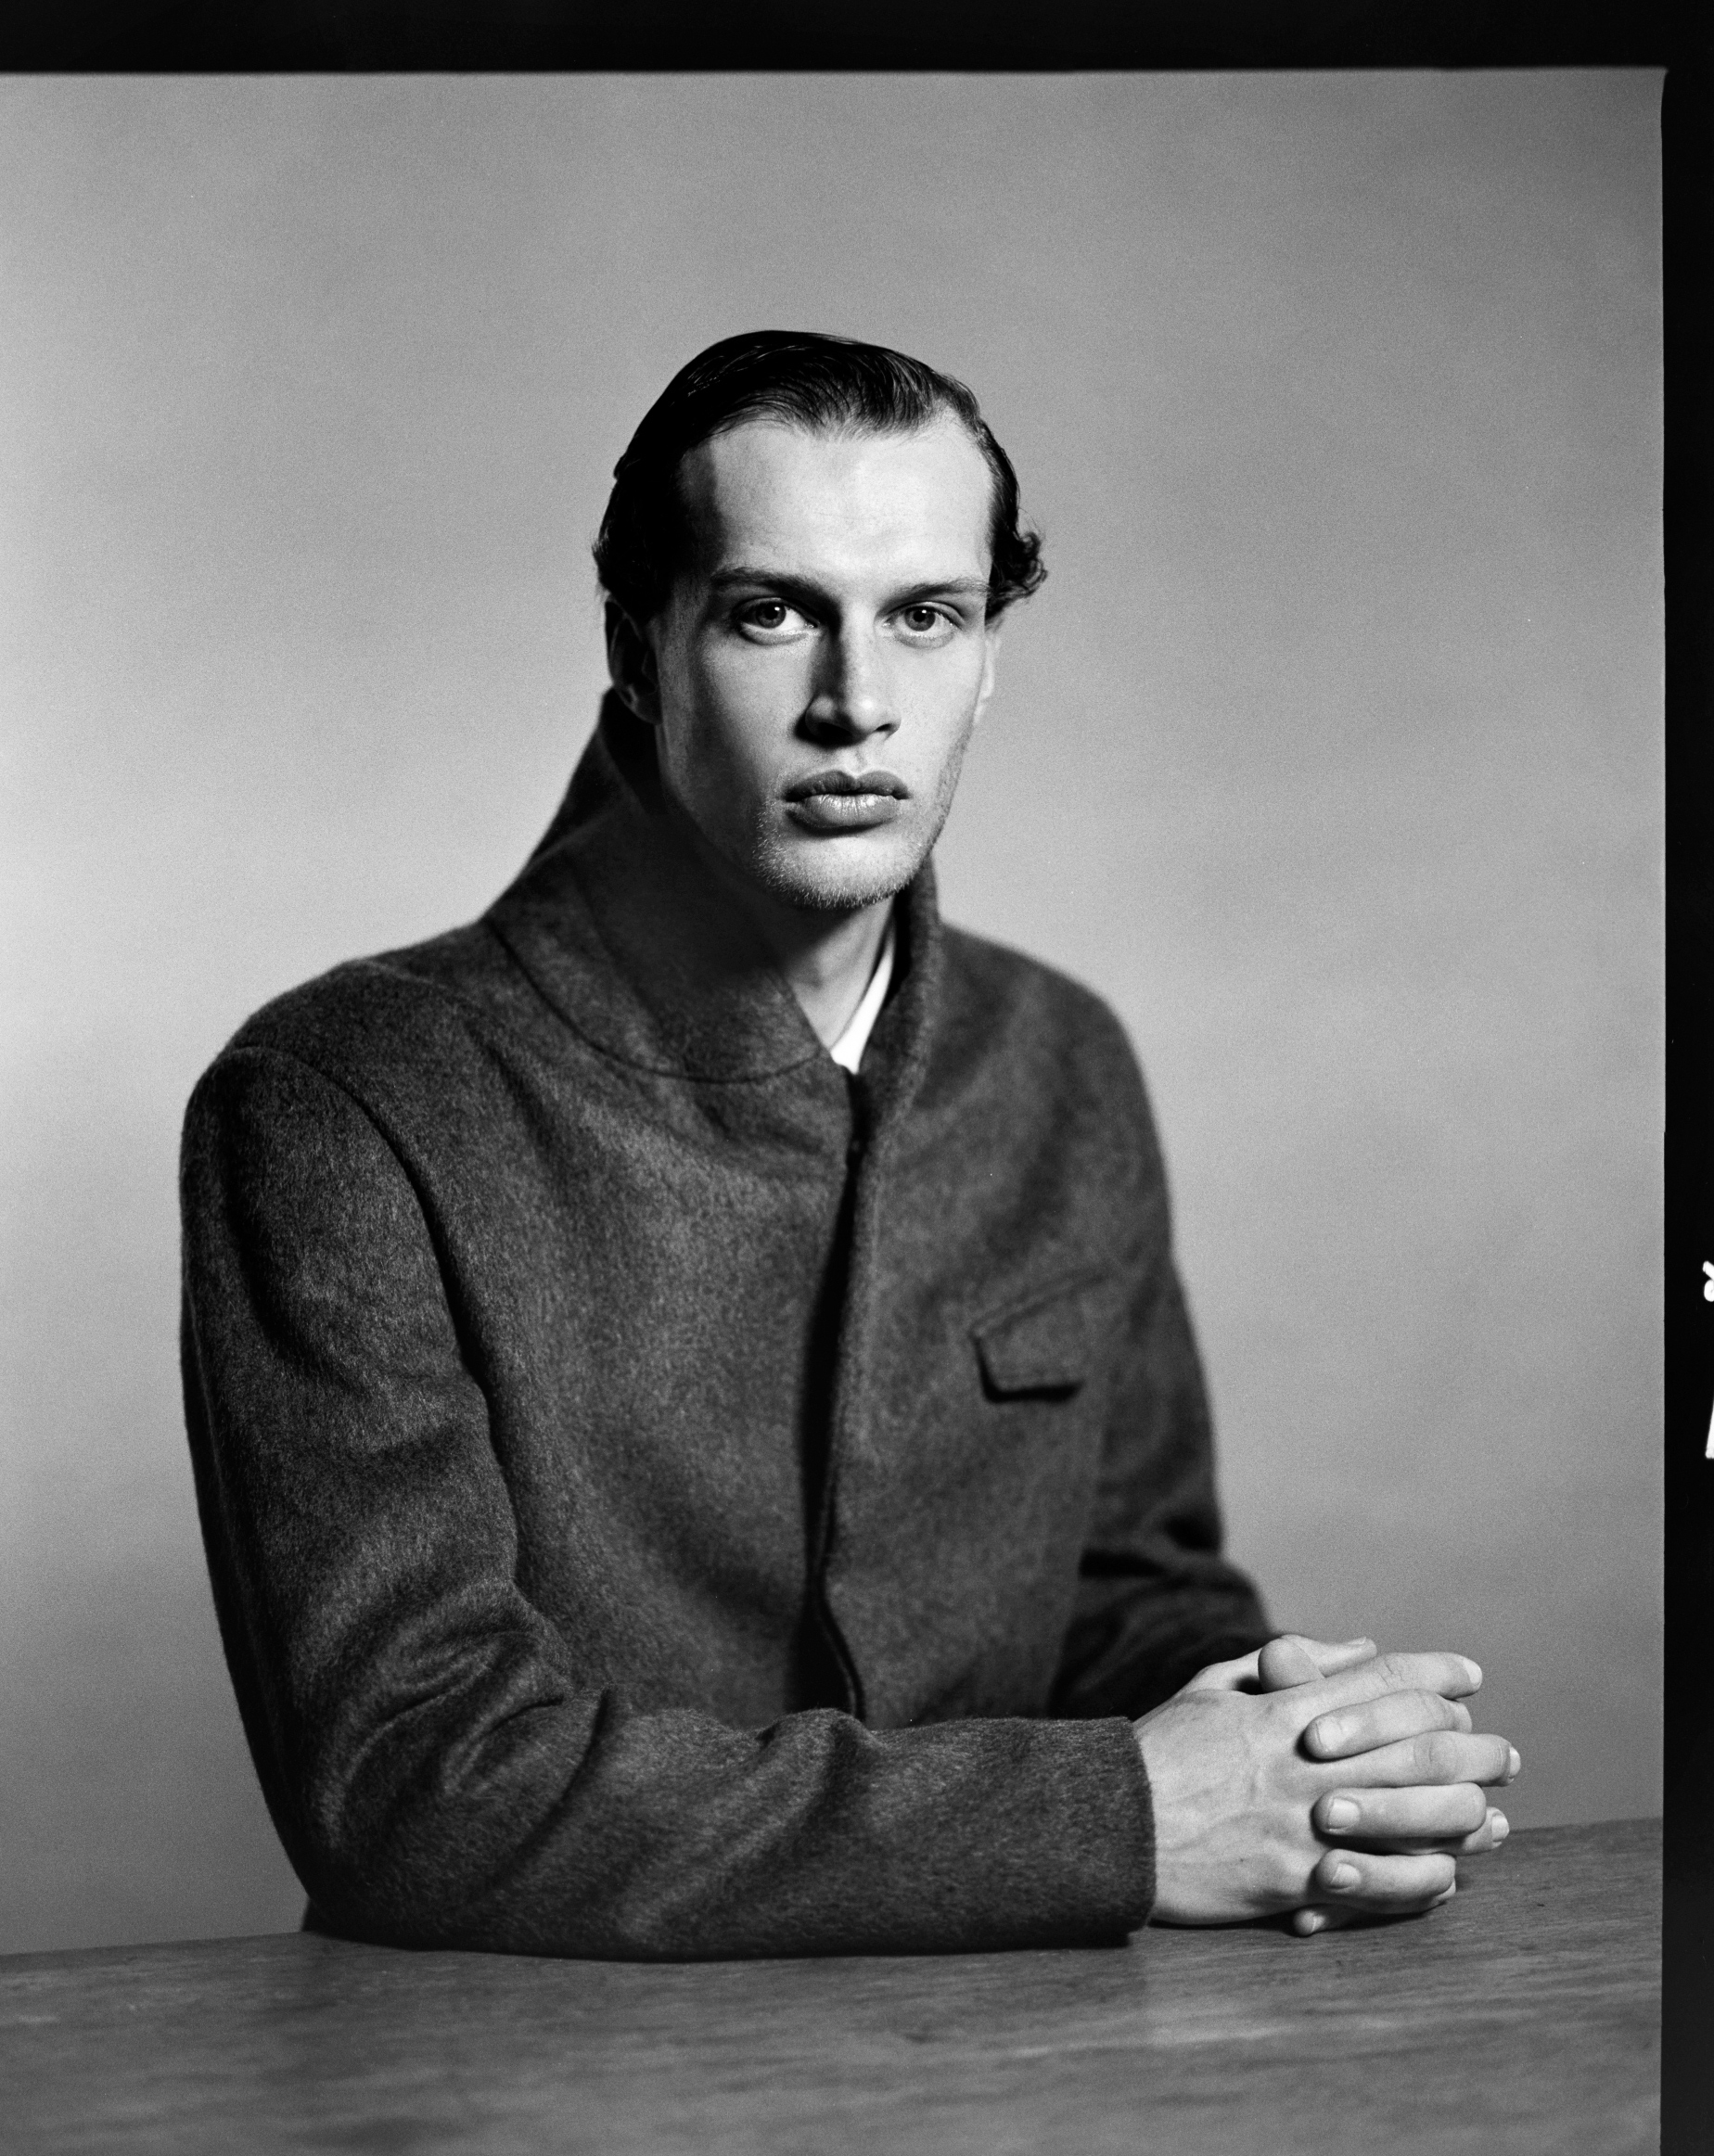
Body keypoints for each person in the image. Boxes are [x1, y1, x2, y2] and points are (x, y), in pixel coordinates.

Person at [178, 330, 1516, 1958]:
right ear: (639, 645)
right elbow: (420, 1787)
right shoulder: (341, 1100)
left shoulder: (1061, 1061)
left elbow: (1124, 1601)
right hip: (541, 2120)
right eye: (769, 613)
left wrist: (1313, 1758)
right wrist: (1127, 1818)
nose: (857, 704)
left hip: (1044, 2086)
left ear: (990, 653)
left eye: (925, 617)